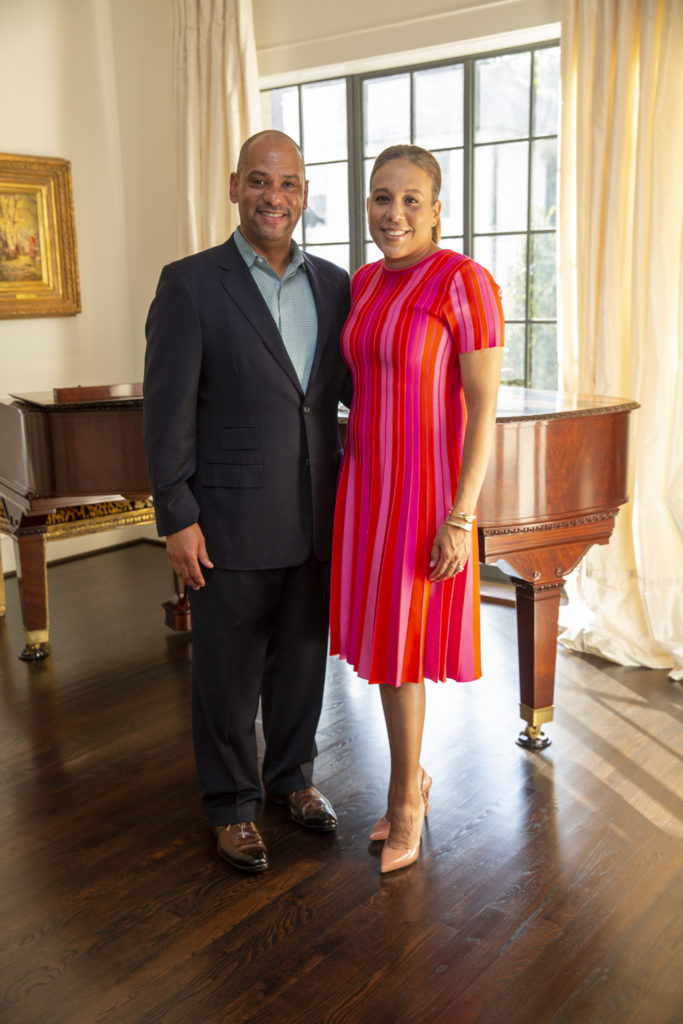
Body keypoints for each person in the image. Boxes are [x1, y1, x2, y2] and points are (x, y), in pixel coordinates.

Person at [144, 130, 351, 873]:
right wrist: (178, 515)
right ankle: (231, 806)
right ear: (235, 188)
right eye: (260, 182)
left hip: (315, 515)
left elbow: (348, 397)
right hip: (226, 520)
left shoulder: (335, 284)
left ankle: (291, 779)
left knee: (300, 662)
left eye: (290, 184)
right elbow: (164, 413)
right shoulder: (190, 283)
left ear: (304, 194)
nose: (275, 197)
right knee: (226, 675)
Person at [329, 144, 504, 874]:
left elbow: (484, 406)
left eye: (409, 200)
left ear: (436, 209)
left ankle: (405, 800)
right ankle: (413, 782)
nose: (392, 213)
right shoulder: (363, 281)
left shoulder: (464, 280)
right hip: (364, 485)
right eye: (379, 197)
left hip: (425, 493)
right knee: (379, 650)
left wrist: (460, 515)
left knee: (402, 653)